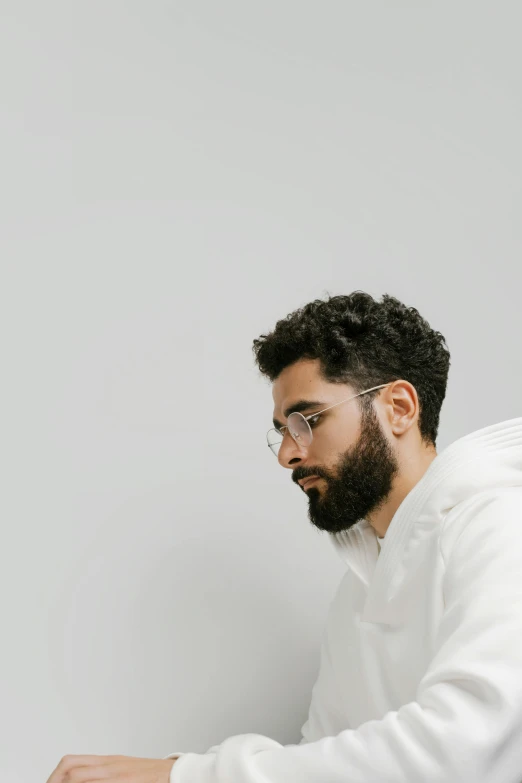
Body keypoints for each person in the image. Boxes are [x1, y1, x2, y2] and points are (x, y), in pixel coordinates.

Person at [47, 292, 522, 783]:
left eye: (307, 421)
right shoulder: (359, 587)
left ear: (398, 408)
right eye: (283, 431)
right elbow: (325, 759)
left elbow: (465, 749)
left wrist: (184, 777)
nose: (288, 456)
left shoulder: (500, 526)